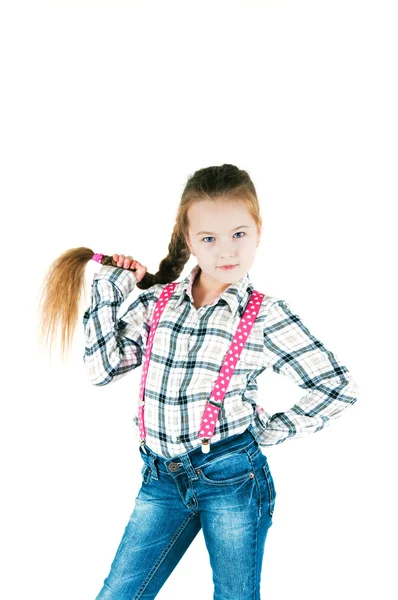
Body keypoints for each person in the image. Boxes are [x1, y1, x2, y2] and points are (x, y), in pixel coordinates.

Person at [38, 164, 359, 600]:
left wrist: (268, 430)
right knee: (119, 593)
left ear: (259, 231)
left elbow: (335, 385)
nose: (226, 250)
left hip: (231, 480)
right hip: (161, 479)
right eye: (208, 238)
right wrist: (108, 289)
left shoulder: (265, 315)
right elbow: (102, 370)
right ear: (188, 240)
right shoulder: (158, 303)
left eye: (239, 234)